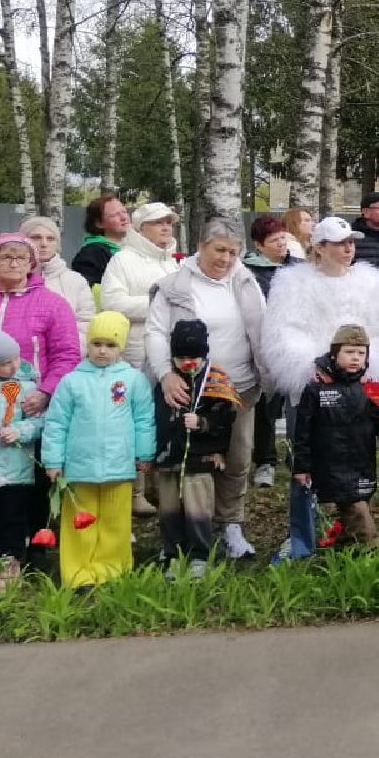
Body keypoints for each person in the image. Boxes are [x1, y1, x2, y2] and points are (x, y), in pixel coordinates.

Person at [263, 216, 379, 561]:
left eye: (351, 242)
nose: (348, 248)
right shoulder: (292, 283)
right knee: (304, 459)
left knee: (356, 459)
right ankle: (301, 534)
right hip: (313, 386)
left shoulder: (373, 284)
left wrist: (364, 372)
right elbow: (283, 334)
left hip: (357, 389)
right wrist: (317, 368)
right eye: (339, 243)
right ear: (319, 247)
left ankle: (354, 529)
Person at [146, 219, 268, 560]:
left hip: (237, 389)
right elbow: (155, 332)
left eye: (233, 252)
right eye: (219, 250)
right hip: (185, 390)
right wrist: (165, 375)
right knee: (188, 460)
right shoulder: (173, 286)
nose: (226, 259)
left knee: (237, 456)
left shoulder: (245, 282)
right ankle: (182, 531)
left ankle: (231, 524)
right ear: (200, 245)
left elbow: (260, 327)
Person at [0, 232, 83, 550]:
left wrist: (46, 392)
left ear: (32, 264)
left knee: (30, 477)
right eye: (4, 257)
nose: (12, 263)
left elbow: (67, 353)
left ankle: (30, 544)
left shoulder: (52, 304)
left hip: (31, 403)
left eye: (20, 257)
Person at [41, 311, 156, 589]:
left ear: (121, 347)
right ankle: (78, 574)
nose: (102, 351)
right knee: (79, 523)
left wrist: (145, 454)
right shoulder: (71, 381)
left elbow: (143, 419)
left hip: (119, 466)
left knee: (115, 524)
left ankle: (112, 571)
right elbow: (56, 423)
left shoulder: (133, 380)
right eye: (97, 343)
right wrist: (53, 461)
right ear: (88, 344)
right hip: (79, 469)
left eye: (111, 345)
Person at [291, 325, 379, 549]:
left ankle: (344, 544)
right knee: (357, 511)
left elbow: (378, 417)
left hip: (361, 462)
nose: (356, 358)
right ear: (335, 354)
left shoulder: (368, 388)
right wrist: (301, 467)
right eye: (349, 352)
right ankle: (371, 552)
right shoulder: (316, 389)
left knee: (358, 505)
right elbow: (303, 432)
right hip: (331, 465)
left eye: (361, 353)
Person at [152, 319, 240, 581]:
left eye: (194, 357)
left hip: (200, 461)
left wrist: (202, 424)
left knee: (198, 511)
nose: (187, 362)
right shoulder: (165, 383)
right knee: (169, 510)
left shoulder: (217, 382)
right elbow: (154, 418)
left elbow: (226, 422)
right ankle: (173, 555)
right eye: (181, 357)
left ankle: (200, 557)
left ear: (205, 354)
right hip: (169, 459)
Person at [0, 328, 43, 593]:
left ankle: (11, 561)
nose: (14, 365)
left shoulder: (27, 388)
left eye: (15, 358)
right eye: (5, 362)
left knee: (12, 518)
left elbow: (40, 422)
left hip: (16, 470)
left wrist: (20, 431)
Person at [242, 214, 296, 488]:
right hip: (264, 347)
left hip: (295, 345)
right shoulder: (247, 273)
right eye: (274, 241)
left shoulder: (297, 268)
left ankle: (297, 455)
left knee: (297, 402)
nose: (281, 245)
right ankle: (265, 460)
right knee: (266, 406)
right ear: (258, 245)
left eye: (283, 238)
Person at [99, 201, 179, 378]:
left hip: (175, 351)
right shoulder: (123, 260)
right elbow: (111, 303)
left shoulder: (174, 263)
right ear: (140, 228)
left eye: (168, 222)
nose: (165, 227)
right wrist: (158, 304)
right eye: (158, 222)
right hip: (138, 353)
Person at [22, 216, 95, 340]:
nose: (44, 244)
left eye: (50, 239)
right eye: (36, 238)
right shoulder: (10, 278)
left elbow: (85, 322)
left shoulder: (76, 281)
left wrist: (71, 354)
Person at [71, 194, 130, 288]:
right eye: (115, 215)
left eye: (124, 212)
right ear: (99, 223)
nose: (124, 217)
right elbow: (89, 293)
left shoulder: (137, 248)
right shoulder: (90, 255)